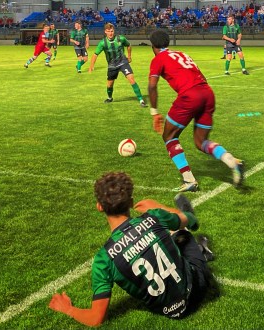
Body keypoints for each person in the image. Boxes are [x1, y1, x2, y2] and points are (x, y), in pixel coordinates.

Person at [48, 172, 213, 325]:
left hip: (171, 312)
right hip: (198, 289)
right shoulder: (154, 216)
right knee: (180, 234)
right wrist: (158, 207)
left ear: (99, 206)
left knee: (164, 233)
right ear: (132, 202)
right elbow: (188, 220)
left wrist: (68, 309)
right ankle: (202, 251)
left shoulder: (103, 260)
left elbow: (96, 319)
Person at [148, 30, 244, 192]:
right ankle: (231, 161)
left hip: (189, 96)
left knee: (169, 136)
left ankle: (189, 180)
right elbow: (202, 77)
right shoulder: (182, 54)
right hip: (207, 93)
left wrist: (154, 112)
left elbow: (152, 86)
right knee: (201, 142)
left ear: (153, 46)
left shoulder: (158, 59)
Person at [89, 23, 146, 107]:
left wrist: (129, 57)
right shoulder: (102, 43)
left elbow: (129, 45)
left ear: (114, 31)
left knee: (131, 79)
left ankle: (141, 100)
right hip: (112, 65)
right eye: (108, 31)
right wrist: (91, 66)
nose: (110, 33)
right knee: (110, 84)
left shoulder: (120, 38)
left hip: (123, 62)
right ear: (105, 32)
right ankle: (110, 97)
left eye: (112, 31)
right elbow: (95, 54)